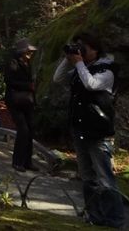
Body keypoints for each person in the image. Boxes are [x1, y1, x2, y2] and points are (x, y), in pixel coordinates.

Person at [53, 30, 124, 229]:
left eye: (82, 48)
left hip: (98, 131)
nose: (80, 52)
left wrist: (78, 63)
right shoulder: (82, 67)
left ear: (95, 49)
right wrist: (68, 58)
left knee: (105, 178)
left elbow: (91, 84)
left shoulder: (107, 70)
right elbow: (58, 79)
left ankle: (115, 220)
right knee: (87, 177)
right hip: (80, 128)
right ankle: (95, 216)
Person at [4, 39, 38, 172]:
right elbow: (9, 81)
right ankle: (17, 162)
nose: (30, 54)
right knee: (23, 129)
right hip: (15, 100)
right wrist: (27, 86)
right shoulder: (13, 63)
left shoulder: (28, 63)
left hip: (27, 100)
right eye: (28, 51)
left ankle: (27, 161)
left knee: (31, 129)